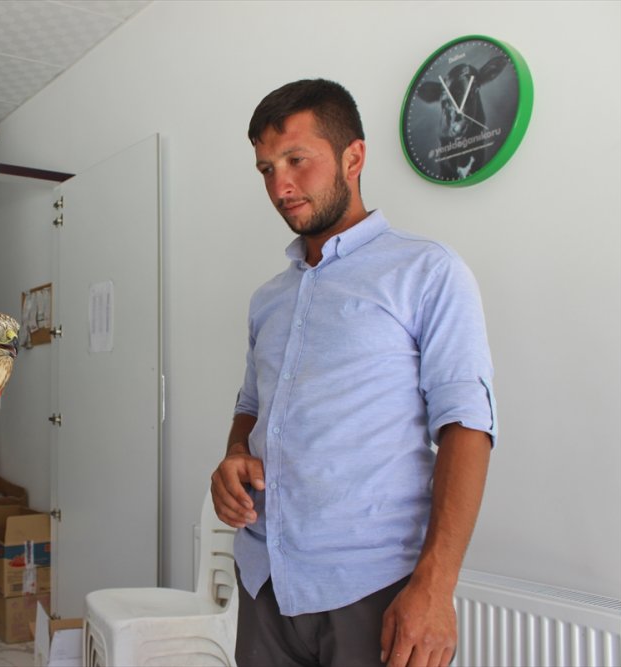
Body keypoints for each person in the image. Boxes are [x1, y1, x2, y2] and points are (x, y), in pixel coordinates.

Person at [210, 79, 495, 667]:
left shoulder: (427, 271)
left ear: (353, 158)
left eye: (296, 161)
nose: (279, 186)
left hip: (374, 592)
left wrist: (436, 589)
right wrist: (235, 453)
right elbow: (252, 405)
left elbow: (467, 426)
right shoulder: (268, 298)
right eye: (266, 169)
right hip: (265, 583)